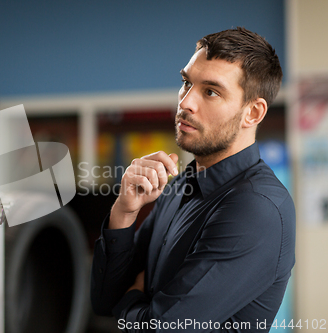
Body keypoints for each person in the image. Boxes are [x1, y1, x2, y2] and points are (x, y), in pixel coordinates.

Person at [90, 27, 295, 332]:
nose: (185, 102)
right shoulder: (179, 186)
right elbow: (104, 303)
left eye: (211, 91)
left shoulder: (257, 208)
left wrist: (133, 294)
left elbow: (161, 328)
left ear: (252, 113)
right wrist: (125, 211)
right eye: (186, 83)